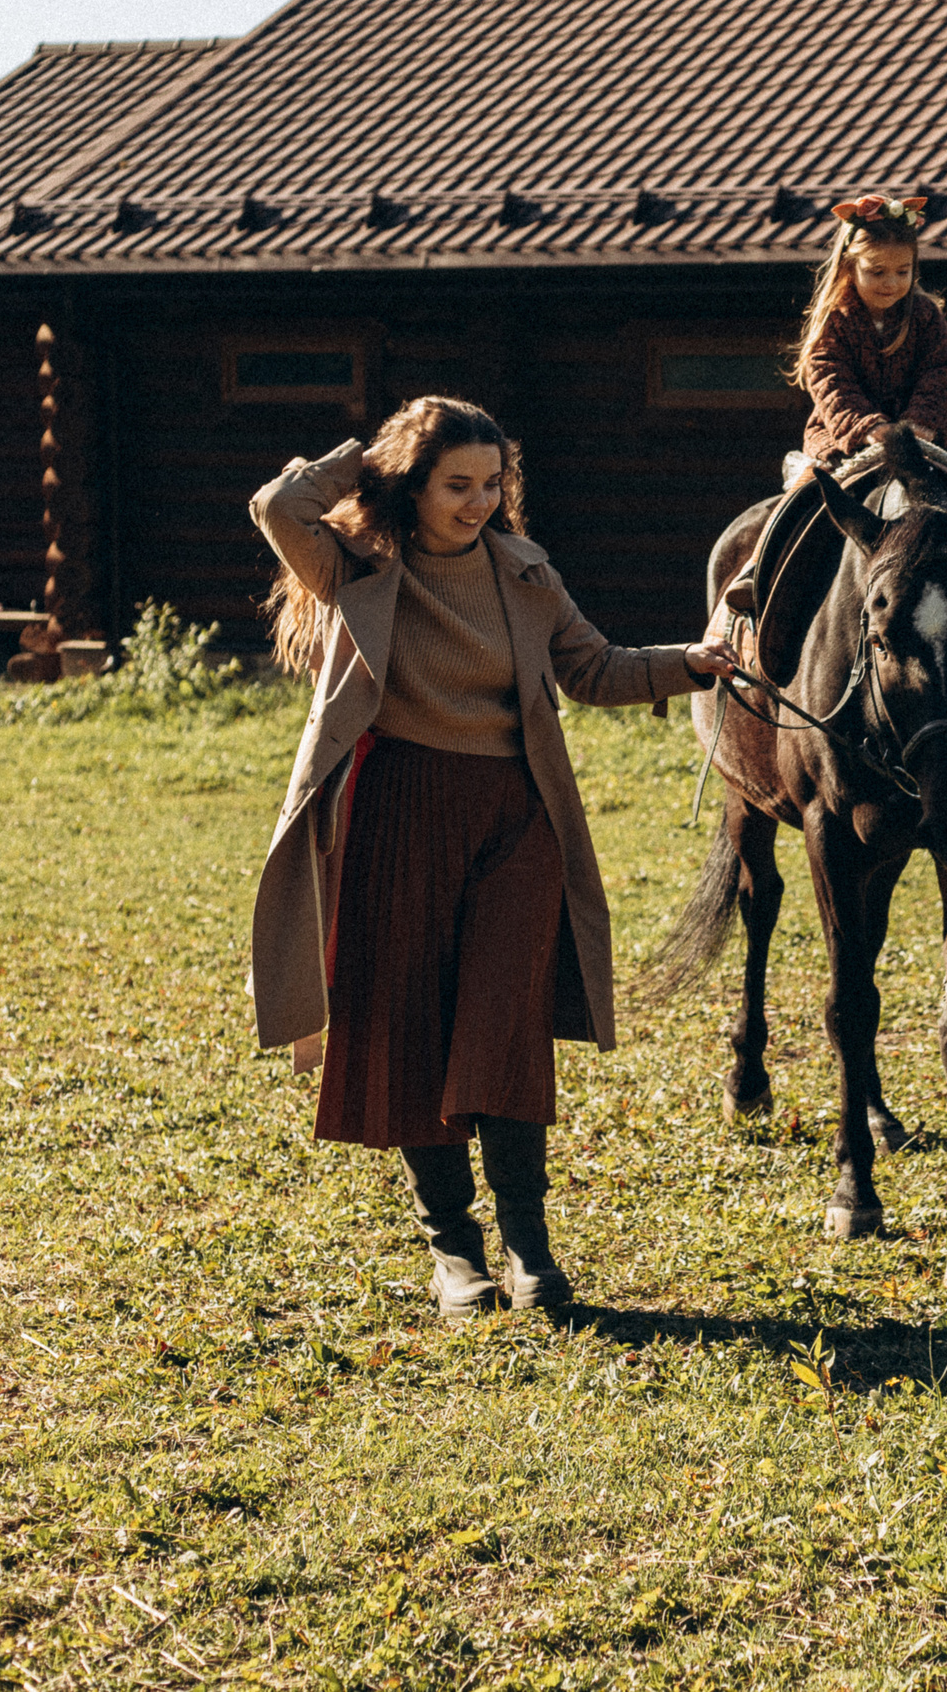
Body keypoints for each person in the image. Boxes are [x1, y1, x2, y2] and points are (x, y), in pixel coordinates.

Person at [248, 397, 737, 1317]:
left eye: (493, 482)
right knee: (410, 1028)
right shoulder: (356, 567)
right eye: (456, 485)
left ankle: (529, 1249)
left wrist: (692, 660)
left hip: (518, 819)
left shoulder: (524, 572)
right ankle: (454, 1254)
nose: (479, 503)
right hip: (397, 811)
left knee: (502, 1026)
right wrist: (368, 462)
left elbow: (594, 669)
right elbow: (279, 506)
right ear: (412, 485)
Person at [790, 192, 947, 482]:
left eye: (902, 271)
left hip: (921, 438)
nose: (891, 283)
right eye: (877, 272)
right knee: (802, 501)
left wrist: (921, 423)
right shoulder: (835, 321)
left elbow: (942, 368)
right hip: (843, 441)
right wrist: (866, 427)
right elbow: (829, 380)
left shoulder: (925, 316)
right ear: (849, 268)